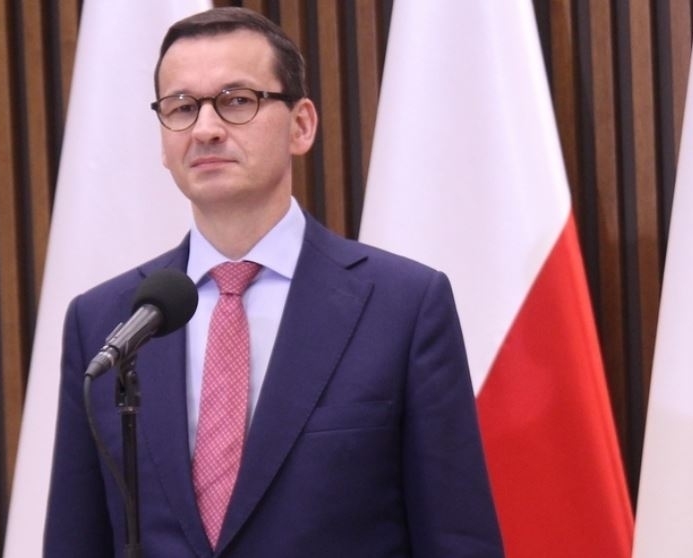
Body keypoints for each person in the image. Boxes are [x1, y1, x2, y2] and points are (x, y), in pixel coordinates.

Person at [44, 7, 503, 557]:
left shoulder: (402, 308)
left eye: (237, 101)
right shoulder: (108, 322)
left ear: (301, 125)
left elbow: (456, 538)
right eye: (182, 107)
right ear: (163, 140)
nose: (206, 128)